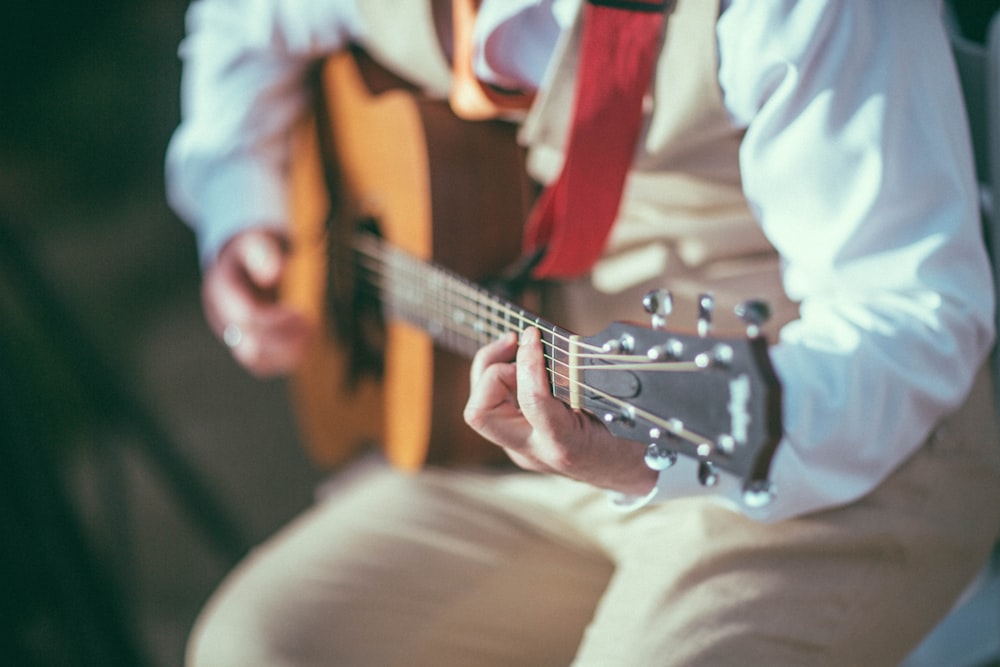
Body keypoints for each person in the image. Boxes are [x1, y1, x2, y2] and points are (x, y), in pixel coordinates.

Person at [166, 0, 1000, 664]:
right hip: (541, 437)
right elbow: (240, 20)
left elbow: (911, 322)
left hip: (838, 453)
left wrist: (654, 445)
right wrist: (240, 205)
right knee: (260, 645)